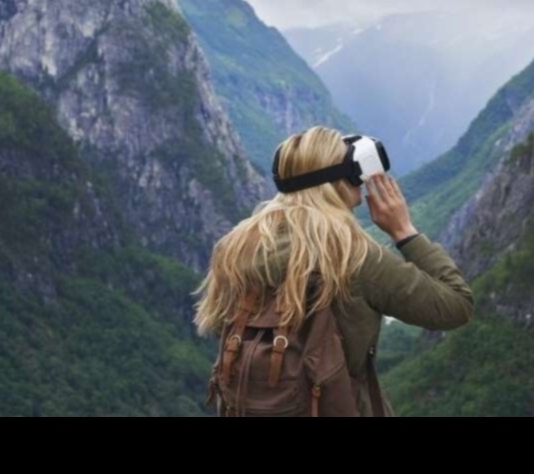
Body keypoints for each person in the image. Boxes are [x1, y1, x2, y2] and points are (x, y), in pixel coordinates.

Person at [194, 126, 474, 417]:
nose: (362, 183)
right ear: (341, 182)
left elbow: (216, 324)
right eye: (356, 172)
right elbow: (456, 305)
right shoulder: (351, 257)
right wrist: (404, 231)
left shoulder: (235, 249)